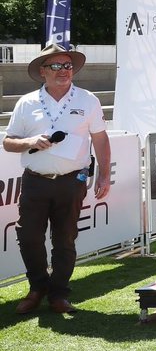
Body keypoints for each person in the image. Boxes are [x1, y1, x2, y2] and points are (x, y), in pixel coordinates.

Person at [4, 44, 111, 314]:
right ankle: (38, 287)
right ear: (43, 72)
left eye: (68, 65)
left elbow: (100, 138)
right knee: (28, 236)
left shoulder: (88, 100)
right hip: (35, 181)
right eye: (56, 66)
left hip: (72, 181)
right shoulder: (26, 103)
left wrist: (104, 175)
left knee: (65, 239)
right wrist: (31, 141)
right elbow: (8, 142)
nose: (63, 71)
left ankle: (59, 294)